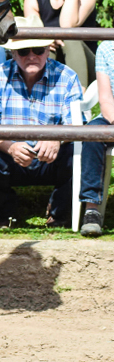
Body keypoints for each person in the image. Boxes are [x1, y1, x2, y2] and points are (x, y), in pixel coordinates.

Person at [0, 16, 82, 229]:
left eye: (38, 50)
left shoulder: (67, 76)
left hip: (54, 156)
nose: (31, 56)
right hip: (11, 155)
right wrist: (11, 147)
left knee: (81, 156)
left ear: (48, 49)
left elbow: (77, 126)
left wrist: (57, 138)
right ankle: (6, 211)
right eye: (23, 51)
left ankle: (59, 211)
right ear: (12, 53)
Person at [78, 40, 114, 236]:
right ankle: (92, 210)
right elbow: (106, 101)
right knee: (93, 133)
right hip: (113, 118)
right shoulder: (107, 48)